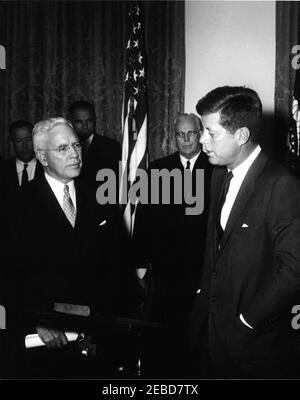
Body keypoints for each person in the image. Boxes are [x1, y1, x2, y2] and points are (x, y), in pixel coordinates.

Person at [4, 117, 135, 378]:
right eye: (63, 149)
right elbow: (8, 275)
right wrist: (38, 322)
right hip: (42, 341)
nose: (75, 154)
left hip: (94, 339)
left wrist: (106, 323)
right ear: (42, 156)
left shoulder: (99, 199)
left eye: (76, 146)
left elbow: (116, 269)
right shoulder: (15, 205)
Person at [189, 86, 300, 379]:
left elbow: (294, 268)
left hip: (252, 347)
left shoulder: (281, 185)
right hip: (209, 334)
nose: (201, 139)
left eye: (210, 133)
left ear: (241, 136)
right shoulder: (217, 175)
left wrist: (249, 320)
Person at [133, 113, 212, 377]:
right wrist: (140, 265)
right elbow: (143, 221)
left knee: (201, 335)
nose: (186, 139)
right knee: (166, 335)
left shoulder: (217, 170)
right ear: (174, 135)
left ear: (200, 133)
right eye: (180, 134)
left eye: (191, 133)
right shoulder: (157, 169)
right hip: (167, 271)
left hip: (205, 269)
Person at [67, 100, 121, 187]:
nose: (85, 126)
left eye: (89, 121)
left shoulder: (111, 147)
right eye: (79, 122)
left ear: (95, 120)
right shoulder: (61, 147)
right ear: (71, 122)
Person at [0, 120, 43, 203]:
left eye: (28, 139)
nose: (25, 146)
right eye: (19, 141)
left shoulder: (47, 168)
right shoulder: (3, 169)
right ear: (12, 143)